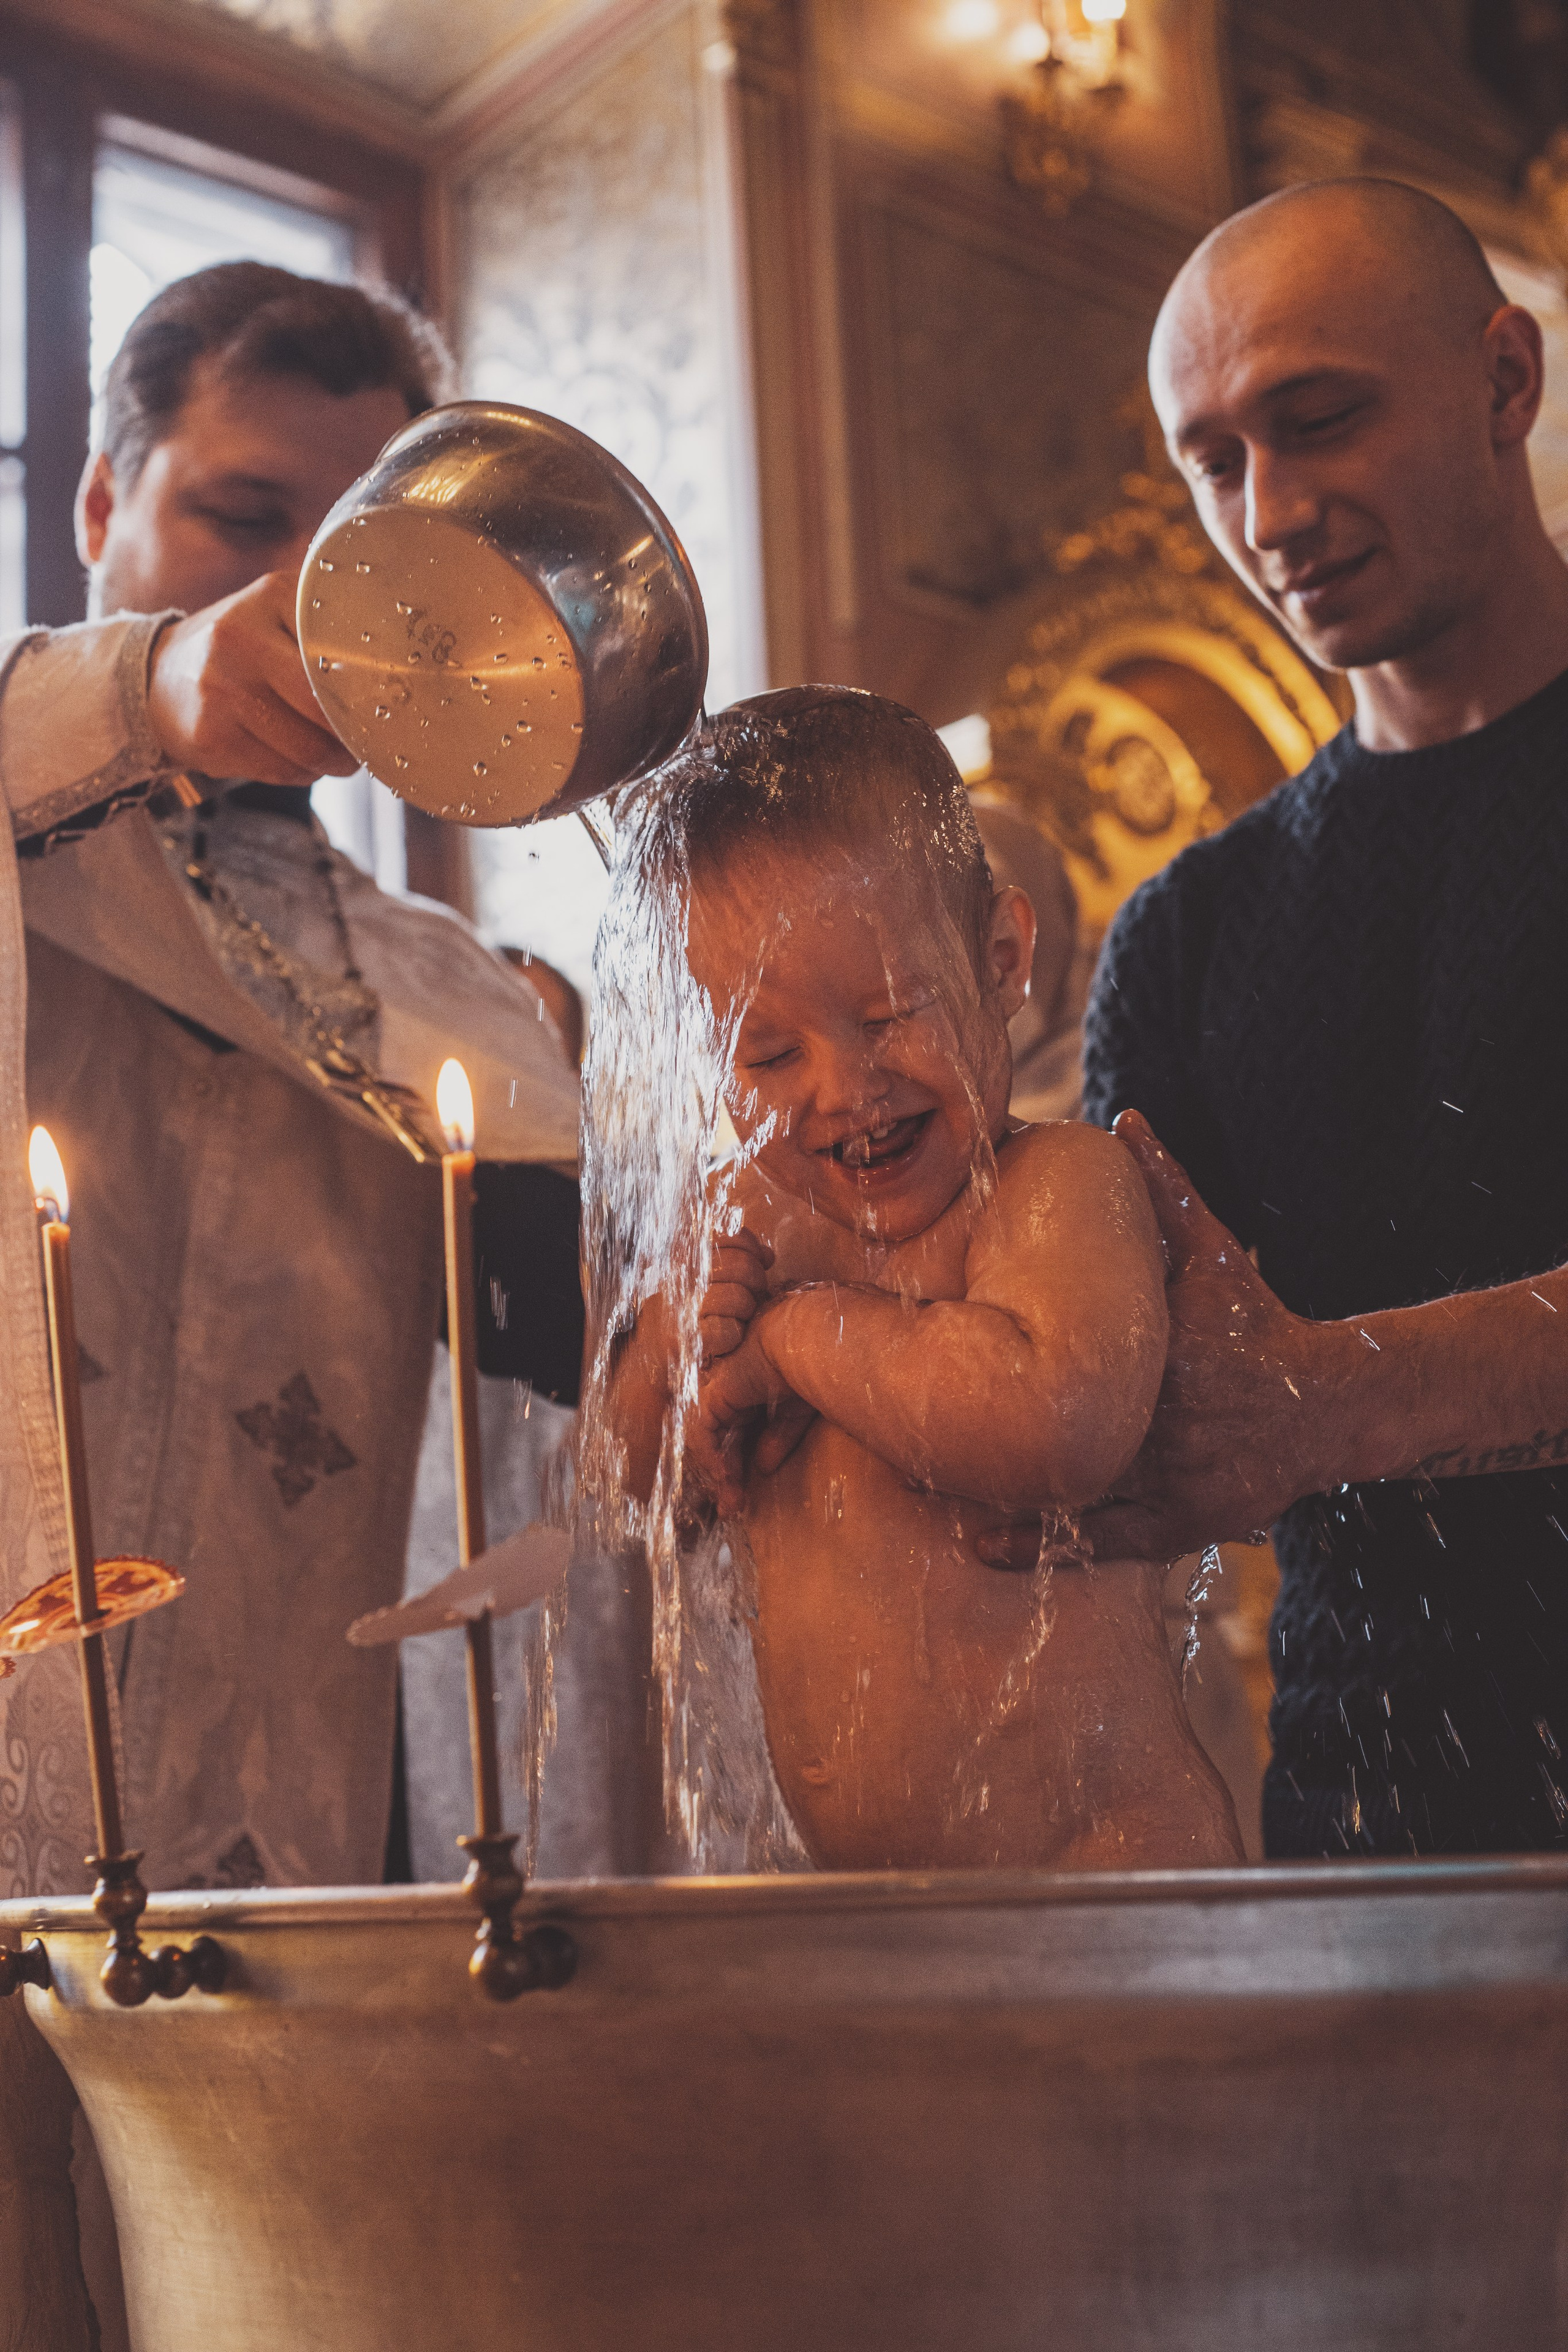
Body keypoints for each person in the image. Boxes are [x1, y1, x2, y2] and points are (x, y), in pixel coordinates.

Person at [0, 265, 584, 2343]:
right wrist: (144, 691)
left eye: (373, 553)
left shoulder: (460, 1000)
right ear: (99, 504)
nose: (315, 601)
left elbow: (576, 1396)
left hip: (287, 1893)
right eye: (251, 521)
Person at [1072, 178, 1568, 1858]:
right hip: (1363, 1829)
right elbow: (1118, 1408)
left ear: (1508, 380)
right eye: (1214, 459)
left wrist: (1349, 1398)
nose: (1269, 512)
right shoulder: (1187, 936)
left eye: (1322, 417)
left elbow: (1286, 1412)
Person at [602, 688, 1242, 1871]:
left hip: (1102, 1869)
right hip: (867, 1901)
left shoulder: (1053, 1188)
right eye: (771, 1052)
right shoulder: (754, 1219)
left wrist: (792, 1342)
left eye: (891, 1012)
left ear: (1002, 958)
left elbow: (1054, 1425)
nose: (845, 1089)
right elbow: (636, 1490)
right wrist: (669, 1359)